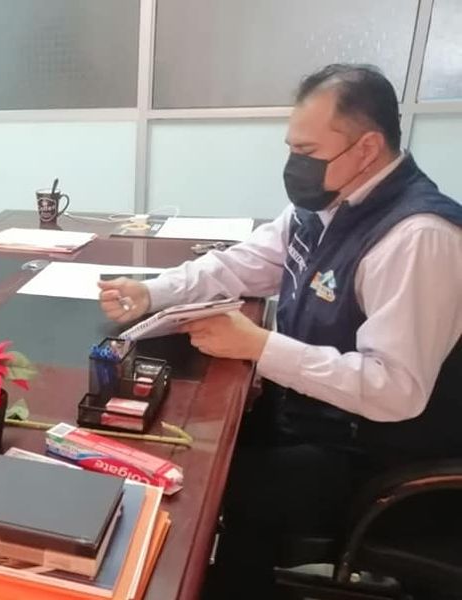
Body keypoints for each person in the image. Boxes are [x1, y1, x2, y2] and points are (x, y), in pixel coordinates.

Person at [99, 64, 462, 598]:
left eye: (308, 152)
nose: (296, 166)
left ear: (367, 148)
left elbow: (395, 390)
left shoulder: (417, 238)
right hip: (317, 413)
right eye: (292, 149)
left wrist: (259, 346)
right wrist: (154, 291)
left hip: (375, 454)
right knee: (183, 437)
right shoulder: (326, 204)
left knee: (204, 489)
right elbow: (246, 264)